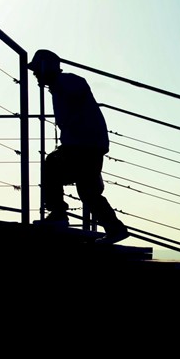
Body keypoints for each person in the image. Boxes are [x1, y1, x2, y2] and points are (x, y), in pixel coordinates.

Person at [28, 49, 129, 244]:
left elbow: (78, 92)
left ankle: (58, 214)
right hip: (87, 144)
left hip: (84, 145)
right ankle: (115, 229)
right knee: (88, 191)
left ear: (45, 67)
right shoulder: (58, 87)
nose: (34, 75)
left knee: (51, 165)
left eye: (36, 69)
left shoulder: (67, 82)